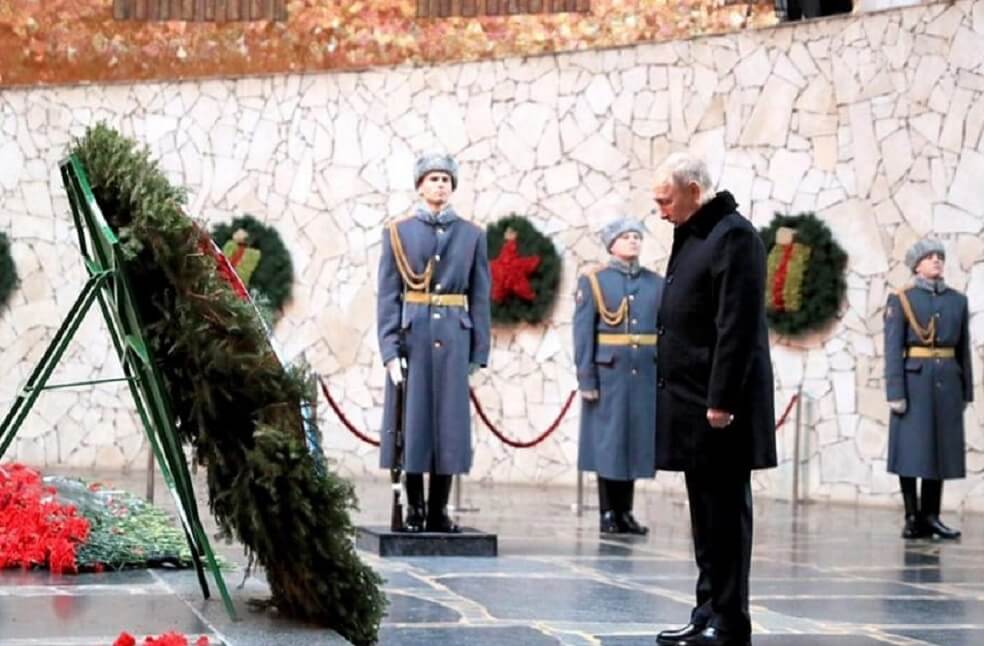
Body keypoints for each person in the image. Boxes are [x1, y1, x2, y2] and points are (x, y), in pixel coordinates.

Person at [652, 153, 776, 646]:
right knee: (705, 515)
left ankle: (729, 622)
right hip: (691, 402)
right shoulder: (696, 234)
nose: (660, 210)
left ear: (693, 191)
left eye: (666, 200)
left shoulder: (734, 236)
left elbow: (737, 325)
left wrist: (721, 399)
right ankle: (706, 611)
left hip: (720, 408)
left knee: (724, 514)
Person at [376, 152, 491, 533]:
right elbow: (388, 295)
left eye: (446, 179)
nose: (440, 185)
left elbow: (480, 295)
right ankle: (415, 509)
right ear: (420, 185)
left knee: (449, 426)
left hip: (455, 338)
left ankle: (440, 510)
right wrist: (390, 350)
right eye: (433, 179)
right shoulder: (398, 233)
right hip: (414, 338)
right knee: (414, 424)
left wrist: (478, 352)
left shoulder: (472, 235)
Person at [573, 217, 663, 535]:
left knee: (635, 444)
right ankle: (608, 512)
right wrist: (586, 378)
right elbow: (583, 333)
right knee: (609, 445)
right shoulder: (594, 281)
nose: (633, 242)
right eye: (626, 237)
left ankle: (626, 512)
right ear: (611, 244)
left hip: (643, 375)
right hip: (608, 375)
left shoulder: (655, 283)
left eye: (637, 237)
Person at [884, 238, 972, 540]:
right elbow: (893, 348)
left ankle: (931, 516)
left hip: (947, 383)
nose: (936, 260)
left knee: (940, 451)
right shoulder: (902, 299)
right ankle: (912, 516)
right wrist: (895, 391)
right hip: (913, 382)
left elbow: (962, 350)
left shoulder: (957, 301)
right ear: (916, 265)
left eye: (939, 256)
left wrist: (966, 391)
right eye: (929, 256)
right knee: (910, 450)